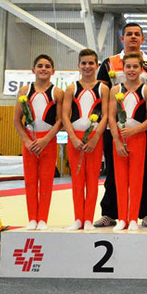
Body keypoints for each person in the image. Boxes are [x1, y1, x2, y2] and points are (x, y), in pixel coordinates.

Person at [95, 23, 147, 228]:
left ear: (142, 39)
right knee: (114, 173)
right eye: (129, 34)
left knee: (144, 174)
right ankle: (110, 212)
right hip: (114, 128)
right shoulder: (109, 62)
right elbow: (102, 94)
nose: (133, 37)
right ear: (122, 38)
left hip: (142, 130)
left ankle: (146, 213)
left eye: (137, 34)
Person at [14, 54, 63, 230]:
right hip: (30, 141)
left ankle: (43, 218)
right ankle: (32, 219)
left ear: (53, 71)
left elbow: (60, 120)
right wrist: (27, 140)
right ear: (33, 70)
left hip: (48, 141)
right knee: (31, 182)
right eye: (40, 66)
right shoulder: (24, 92)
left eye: (47, 66)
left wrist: (46, 139)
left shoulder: (57, 92)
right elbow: (17, 120)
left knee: (46, 181)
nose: (43, 69)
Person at [61, 49, 108, 230]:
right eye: (84, 63)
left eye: (91, 63)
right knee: (78, 179)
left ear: (96, 65)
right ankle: (78, 218)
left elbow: (105, 115)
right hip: (76, 138)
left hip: (94, 139)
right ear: (79, 65)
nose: (87, 66)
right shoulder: (71, 88)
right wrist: (72, 136)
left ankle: (88, 218)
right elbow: (65, 115)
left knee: (92, 179)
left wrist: (96, 137)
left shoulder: (103, 88)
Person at [110, 52, 147, 231]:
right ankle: (122, 217)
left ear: (141, 68)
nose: (131, 70)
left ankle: (133, 218)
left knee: (136, 180)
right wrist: (118, 140)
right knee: (120, 179)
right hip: (120, 138)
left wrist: (135, 131)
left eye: (135, 66)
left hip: (138, 137)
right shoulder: (116, 90)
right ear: (123, 68)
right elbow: (111, 118)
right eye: (128, 66)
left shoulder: (146, 91)